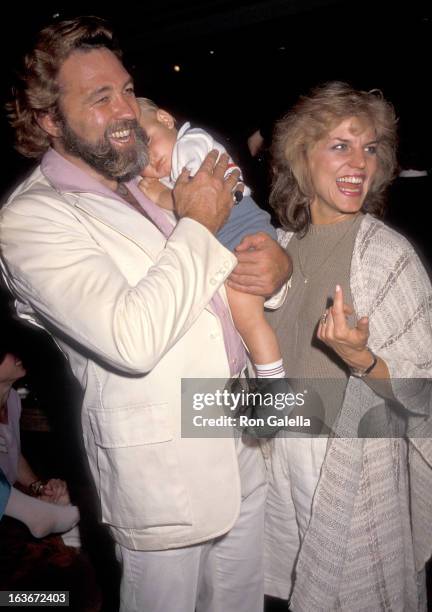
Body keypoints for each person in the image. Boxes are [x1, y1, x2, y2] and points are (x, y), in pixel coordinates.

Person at [0, 16, 291, 612]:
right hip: (165, 468)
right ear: (49, 120)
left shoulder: (144, 174)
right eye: (101, 98)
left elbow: (234, 258)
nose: (128, 108)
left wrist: (278, 271)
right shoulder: (29, 219)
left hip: (237, 426)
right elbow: (131, 337)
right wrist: (198, 223)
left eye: (128, 89)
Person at [264, 81, 432, 610]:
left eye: (370, 148)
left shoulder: (390, 258)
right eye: (341, 145)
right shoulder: (278, 246)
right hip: (278, 455)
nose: (360, 161)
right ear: (302, 156)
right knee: (292, 590)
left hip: (353, 460)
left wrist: (364, 359)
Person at [137, 97, 286, 379]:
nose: (149, 159)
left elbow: (199, 195)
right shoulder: (175, 162)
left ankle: (275, 386)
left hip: (243, 232)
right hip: (231, 240)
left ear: (166, 120)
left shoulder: (190, 143)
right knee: (241, 320)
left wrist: (160, 195)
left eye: (147, 140)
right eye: (138, 161)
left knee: (248, 319)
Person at [0, 340, 79, 538]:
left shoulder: (13, 400)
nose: (17, 354)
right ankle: (36, 514)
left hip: (8, 504)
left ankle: (39, 511)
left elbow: (13, 456)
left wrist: (40, 488)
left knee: (64, 497)